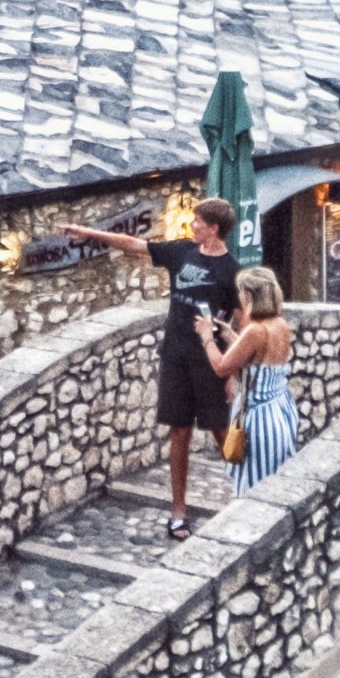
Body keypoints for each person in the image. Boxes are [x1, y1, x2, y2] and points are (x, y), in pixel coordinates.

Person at [62, 197, 241, 538]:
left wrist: (232, 371)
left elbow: (238, 325)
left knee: (223, 433)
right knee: (179, 432)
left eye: (198, 221)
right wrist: (88, 232)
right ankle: (178, 512)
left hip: (211, 362)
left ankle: (251, 493)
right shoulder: (181, 252)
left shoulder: (232, 271)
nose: (193, 225)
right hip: (175, 356)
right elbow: (133, 244)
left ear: (214, 228)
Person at [198, 265, 297, 491]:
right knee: (274, 483)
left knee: (255, 487)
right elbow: (256, 359)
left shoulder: (256, 331)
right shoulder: (279, 324)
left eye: (241, 292)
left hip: (261, 420)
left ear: (249, 296)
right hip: (280, 410)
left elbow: (222, 367)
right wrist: (230, 334)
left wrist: (206, 337)